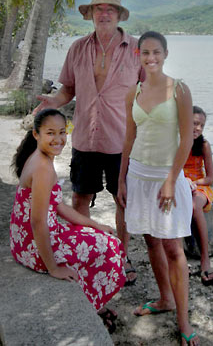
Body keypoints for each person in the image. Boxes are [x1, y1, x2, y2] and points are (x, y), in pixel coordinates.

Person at [33, 0, 143, 285]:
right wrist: (55, 101)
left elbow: (151, 91)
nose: (104, 13)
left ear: (119, 14)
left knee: (123, 200)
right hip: (85, 139)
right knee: (81, 197)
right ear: (91, 14)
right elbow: (68, 87)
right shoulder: (78, 48)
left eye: (110, 9)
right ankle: (84, 251)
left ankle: (121, 255)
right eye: (99, 8)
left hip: (122, 141)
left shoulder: (135, 49)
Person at [10, 109, 126, 333]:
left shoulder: (41, 158)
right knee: (113, 247)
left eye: (62, 132)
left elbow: (59, 206)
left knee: (100, 235)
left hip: (26, 240)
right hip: (35, 246)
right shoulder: (43, 168)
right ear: (36, 134)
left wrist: (93, 224)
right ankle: (91, 306)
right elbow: (37, 222)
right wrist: (53, 267)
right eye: (50, 133)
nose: (59, 139)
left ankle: (91, 302)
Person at [117, 31, 200, 346]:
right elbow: (128, 138)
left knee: (173, 249)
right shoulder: (133, 92)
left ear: (165, 54)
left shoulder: (179, 89)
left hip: (168, 176)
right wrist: (122, 179)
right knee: (151, 242)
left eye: (156, 53)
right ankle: (164, 298)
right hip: (138, 175)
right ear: (138, 54)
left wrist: (169, 181)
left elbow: (187, 140)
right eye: (145, 53)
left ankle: (183, 320)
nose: (151, 58)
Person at [183, 106, 213, 286]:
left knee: (195, 205)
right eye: (195, 123)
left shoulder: (204, 145)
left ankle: (205, 259)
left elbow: (210, 178)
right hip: (180, 183)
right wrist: (182, 182)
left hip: (199, 186)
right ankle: (180, 259)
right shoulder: (177, 142)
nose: (198, 128)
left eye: (201, 125)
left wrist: (195, 183)